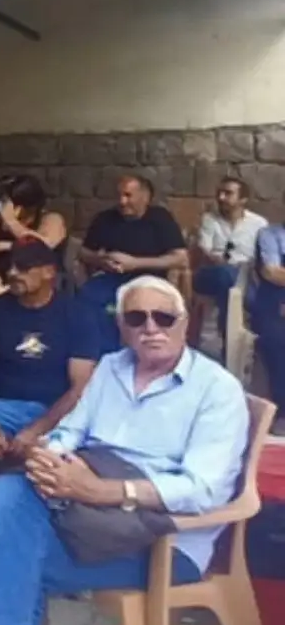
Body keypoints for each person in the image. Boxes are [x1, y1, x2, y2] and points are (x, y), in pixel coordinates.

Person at [0, 276, 250, 625]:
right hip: (90, 513)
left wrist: (103, 491)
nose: (151, 328)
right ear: (121, 327)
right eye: (136, 318)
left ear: (185, 324)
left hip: (163, 538)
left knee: (10, 561)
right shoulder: (111, 367)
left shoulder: (217, 390)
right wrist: (51, 459)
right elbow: (72, 430)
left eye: (164, 318)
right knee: (12, 489)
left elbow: (205, 490)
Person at [0, 240, 100, 520]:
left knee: (57, 463)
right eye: (10, 266)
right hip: (3, 407)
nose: (13, 273)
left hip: (59, 413)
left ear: (49, 272)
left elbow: (80, 388)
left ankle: (25, 525)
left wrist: (36, 430)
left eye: (24, 267)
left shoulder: (77, 315)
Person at [78, 175, 187, 351]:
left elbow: (180, 257)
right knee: (89, 298)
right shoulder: (105, 219)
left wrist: (136, 263)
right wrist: (102, 260)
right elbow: (84, 252)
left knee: (138, 308)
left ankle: (140, 351)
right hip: (111, 278)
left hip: (149, 280)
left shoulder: (160, 219)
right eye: (119, 195)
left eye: (128, 195)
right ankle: (102, 353)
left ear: (145, 197)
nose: (122, 201)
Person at [193, 176, 265, 344]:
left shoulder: (258, 223)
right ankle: (235, 332)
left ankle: (229, 335)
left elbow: (261, 256)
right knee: (226, 274)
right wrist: (218, 260)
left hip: (246, 274)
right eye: (219, 193)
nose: (221, 197)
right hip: (212, 273)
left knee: (233, 285)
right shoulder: (209, 219)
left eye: (228, 193)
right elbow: (205, 251)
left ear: (243, 199)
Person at [252, 214, 285, 434]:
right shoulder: (270, 235)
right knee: (277, 338)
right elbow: (272, 272)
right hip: (275, 305)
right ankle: (283, 410)